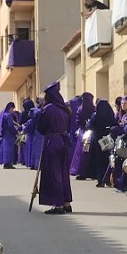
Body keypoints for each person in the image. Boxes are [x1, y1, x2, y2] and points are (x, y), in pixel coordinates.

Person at [36, 82, 75, 215]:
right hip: (64, 141)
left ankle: (58, 204)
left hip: (52, 141)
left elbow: (40, 127)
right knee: (63, 173)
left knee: (54, 173)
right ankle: (66, 202)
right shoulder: (65, 109)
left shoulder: (48, 109)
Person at [0, 102, 19, 168]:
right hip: (9, 134)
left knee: (5, 149)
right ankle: (8, 163)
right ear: (10, 108)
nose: (12, 111)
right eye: (12, 109)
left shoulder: (3, 115)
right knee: (10, 149)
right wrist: (16, 132)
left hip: (4, 134)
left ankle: (6, 162)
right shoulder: (8, 115)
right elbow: (10, 125)